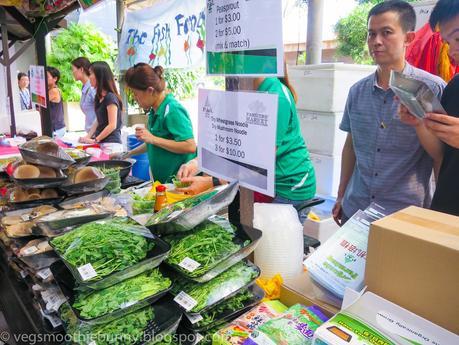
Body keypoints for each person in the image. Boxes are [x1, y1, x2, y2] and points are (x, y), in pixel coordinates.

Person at [332, 0, 446, 226]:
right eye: (371, 34)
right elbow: (350, 146)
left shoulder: (430, 89)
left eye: (387, 33)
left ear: (408, 38)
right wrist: (341, 194)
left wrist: (440, 215)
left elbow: (441, 155)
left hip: (405, 216)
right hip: (356, 208)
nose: (377, 42)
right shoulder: (357, 91)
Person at [177, 75, 317, 224]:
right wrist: (197, 162)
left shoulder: (276, 97)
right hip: (263, 183)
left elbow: (259, 162)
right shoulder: (245, 90)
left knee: (275, 245)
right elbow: (234, 141)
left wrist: (213, 181)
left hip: (289, 186)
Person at [399, 0, 459, 216]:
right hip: (447, 211)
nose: (452, 50)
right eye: (447, 42)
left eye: (458, 38)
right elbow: (442, 155)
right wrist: (419, 123)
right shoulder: (454, 86)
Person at [111, 63, 196, 183]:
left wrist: (152, 139)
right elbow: (152, 143)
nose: (135, 99)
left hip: (179, 183)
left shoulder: (172, 110)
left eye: (136, 94)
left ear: (150, 90)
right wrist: (126, 154)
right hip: (163, 183)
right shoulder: (154, 111)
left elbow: (190, 146)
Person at [79, 61, 123, 153]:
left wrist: (95, 140)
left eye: (90, 74)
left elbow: (112, 125)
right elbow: (98, 120)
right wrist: (88, 137)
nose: (89, 77)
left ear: (99, 76)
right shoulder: (98, 97)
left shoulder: (110, 97)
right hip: (102, 144)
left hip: (112, 145)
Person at [71, 57, 97, 132]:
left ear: (81, 69)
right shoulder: (85, 87)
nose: (72, 73)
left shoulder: (92, 89)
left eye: (73, 70)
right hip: (90, 133)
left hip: (95, 134)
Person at [46, 67, 66, 138]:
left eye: (47, 76)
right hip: (58, 127)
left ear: (55, 79)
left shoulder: (53, 91)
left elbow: (40, 101)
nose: (44, 79)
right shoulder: (53, 89)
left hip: (56, 129)